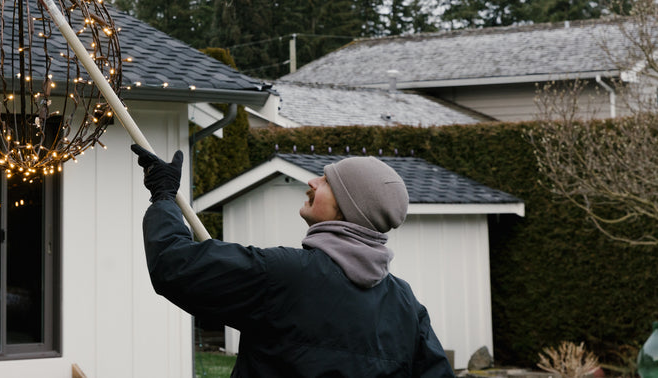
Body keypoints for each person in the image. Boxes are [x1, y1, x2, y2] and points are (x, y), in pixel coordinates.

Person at [132, 144, 455, 378]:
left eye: (327, 182)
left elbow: (174, 266)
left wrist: (163, 197)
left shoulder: (286, 275)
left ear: (350, 207)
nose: (312, 182)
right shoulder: (406, 306)